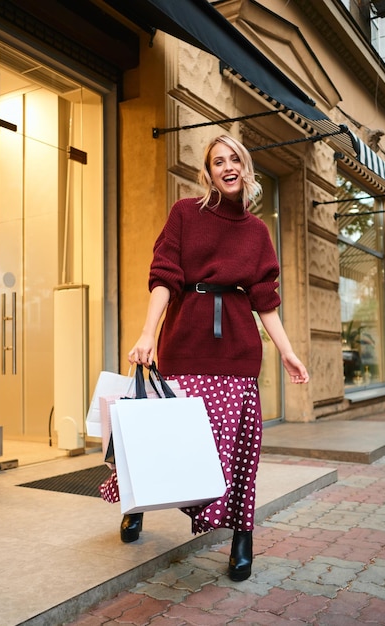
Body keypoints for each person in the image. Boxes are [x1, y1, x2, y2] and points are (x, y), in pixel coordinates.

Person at [125, 134, 309, 581]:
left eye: (234, 160)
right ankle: (136, 502)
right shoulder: (186, 213)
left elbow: (265, 299)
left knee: (240, 451)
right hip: (185, 345)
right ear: (207, 173)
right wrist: (148, 333)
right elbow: (164, 276)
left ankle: (241, 537)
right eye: (217, 162)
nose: (227, 167)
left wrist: (286, 351)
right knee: (164, 437)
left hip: (237, 351)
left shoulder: (258, 233)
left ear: (246, 168)